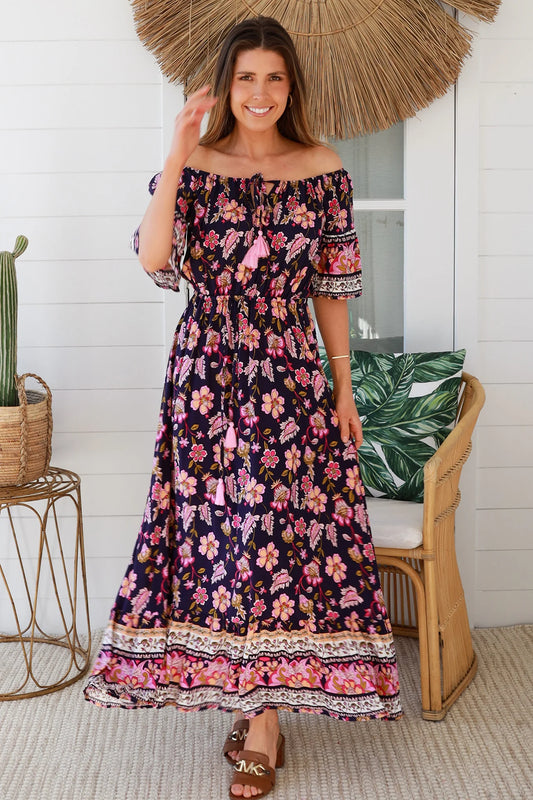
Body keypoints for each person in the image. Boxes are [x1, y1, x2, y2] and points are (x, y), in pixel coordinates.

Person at [84, 16, 402, 799]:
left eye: (274, 78)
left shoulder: (322, 168)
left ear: (290, 88)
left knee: (276, 536)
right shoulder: (196, 165)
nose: (259, 93)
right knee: (220, 537)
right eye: (245, 78)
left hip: (289, 376)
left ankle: (263, 720)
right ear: (226, 86)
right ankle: (250, 696)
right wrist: (176, 150)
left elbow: (333, 290)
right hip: (204, 378)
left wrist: (343, 388)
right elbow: (155, 258)